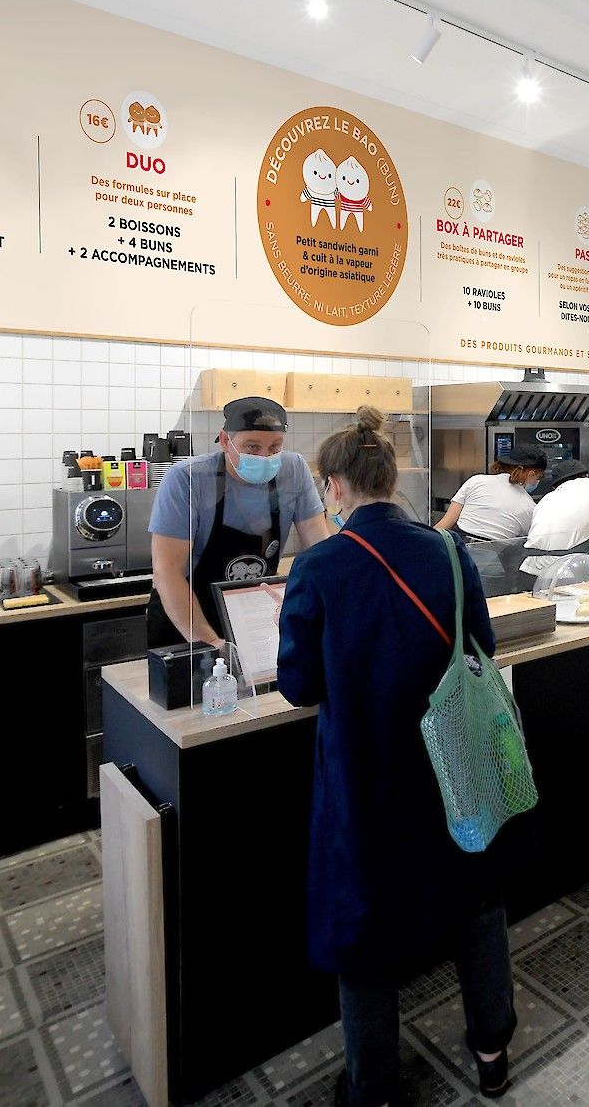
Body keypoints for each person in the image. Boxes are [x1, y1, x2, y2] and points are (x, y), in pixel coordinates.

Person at [275, 407, 517, 1105]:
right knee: (475, 900)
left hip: (366, 773)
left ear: (334, 485)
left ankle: (374, 1084)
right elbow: (482, 647)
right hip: (453, 761)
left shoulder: (318, 566)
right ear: (390, 477)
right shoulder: (447, 551)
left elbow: (298, 685)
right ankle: (492, 1052)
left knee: (364, 922)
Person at [145, 395, 328, 650]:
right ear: (224, 441)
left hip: (254, 614)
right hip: (186, 618)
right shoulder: (187, 480)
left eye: (275, 447)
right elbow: (167, 571)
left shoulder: (293, 470)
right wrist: (210, 643)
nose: (264, 457)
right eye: (252, 447)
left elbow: (322, 555)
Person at [432, 446, 548, 543]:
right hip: (492, 558)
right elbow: (529, 541)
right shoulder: (529, 507)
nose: (537, 481)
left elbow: (446, 523)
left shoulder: (476, 481)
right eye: (539, 476)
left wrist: (426, 543)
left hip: (456, 549)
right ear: (531, 474)